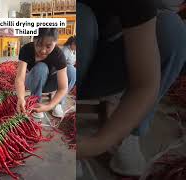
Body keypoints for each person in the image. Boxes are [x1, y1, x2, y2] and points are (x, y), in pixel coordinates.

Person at [77, 0, 186, 177]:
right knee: (80, 18)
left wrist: (97, 144)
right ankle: (60, 131)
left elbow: (145, 83)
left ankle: (127, 134)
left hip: (102, 62)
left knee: (172, 31)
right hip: (54, 68)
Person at [15, 28, 76, 119]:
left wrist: (49, 106)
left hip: (49, 84)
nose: (43, 51)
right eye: (39, 45)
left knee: (71, 70)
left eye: (48, 46)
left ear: (55, 42)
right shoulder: (26, 49)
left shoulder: (59, 55)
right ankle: (35, 101)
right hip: (32, 81)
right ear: (33, 40)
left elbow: (63, 87)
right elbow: (20, 78)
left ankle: (57, 104)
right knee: (41, 67)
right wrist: (20, 97)